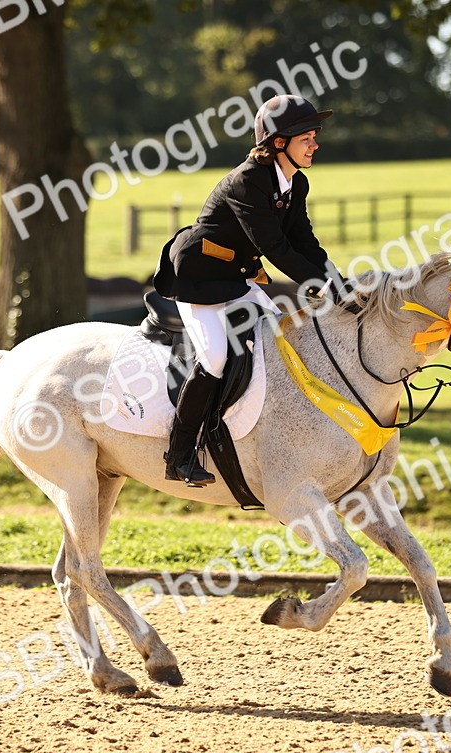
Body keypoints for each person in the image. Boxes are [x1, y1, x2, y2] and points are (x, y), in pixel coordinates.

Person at [153, 94, 343, 486]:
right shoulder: (247, 181)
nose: (315, 144)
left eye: (314, 137)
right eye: (306, 138)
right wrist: (318, 283)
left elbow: (303, 240)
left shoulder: (295, 183)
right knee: (217, 358)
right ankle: (180, 454)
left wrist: (337, 281)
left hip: (236, 276)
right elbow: (275, 247)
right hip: (198, 276)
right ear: (278, 142)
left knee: (284, 342)